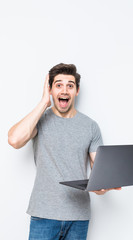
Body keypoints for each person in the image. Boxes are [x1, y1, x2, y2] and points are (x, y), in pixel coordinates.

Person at [8, 63, 121, 240]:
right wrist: (43, 102)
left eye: (70, 85)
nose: (64, 90)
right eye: (58, 85)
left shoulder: (90, 126)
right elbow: (14, 140)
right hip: (44, 215)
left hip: (78, 217)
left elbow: (99, 175)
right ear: (50, 89)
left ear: (77, 90)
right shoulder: (39, 120)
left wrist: (103, 187)